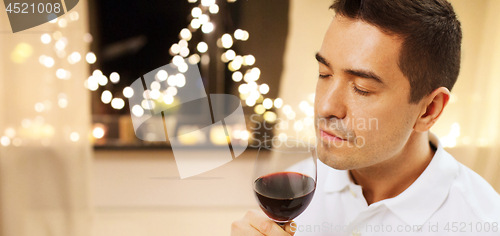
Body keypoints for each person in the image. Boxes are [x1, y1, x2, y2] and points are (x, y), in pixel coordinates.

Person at [231, 0, 500, 235]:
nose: (325, 107)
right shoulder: (295, 189)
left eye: (362, 88)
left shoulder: (482, 223)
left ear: (429, 110)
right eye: (324, 74)